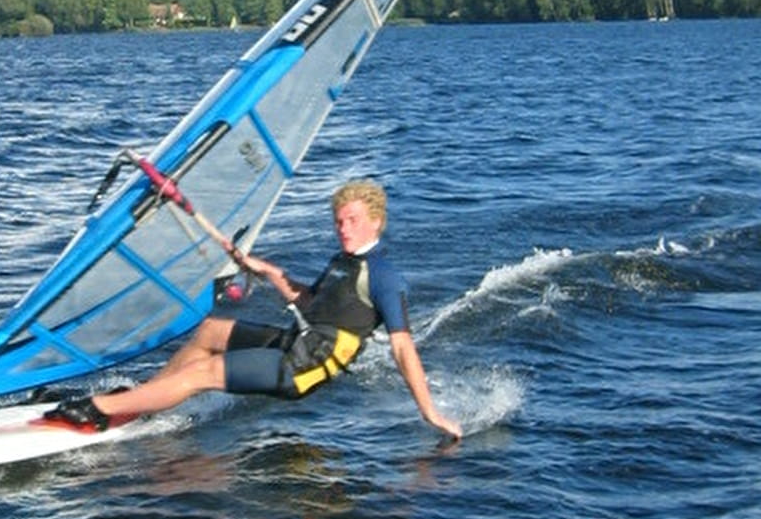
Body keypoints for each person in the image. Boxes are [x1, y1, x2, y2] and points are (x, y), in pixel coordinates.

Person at [45, 179, 463, 440]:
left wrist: (430, 413)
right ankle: (141, 401)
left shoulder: (385, 276)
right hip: (300, 340)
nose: (343, 229)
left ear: (376, 221)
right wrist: (265, 270)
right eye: (338, 221)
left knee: (203, 373)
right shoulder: (342, 262)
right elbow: (311, 304)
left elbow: (404, 349)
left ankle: (101, 410)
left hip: (307, 367)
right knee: (211, 331)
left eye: (352, 220)